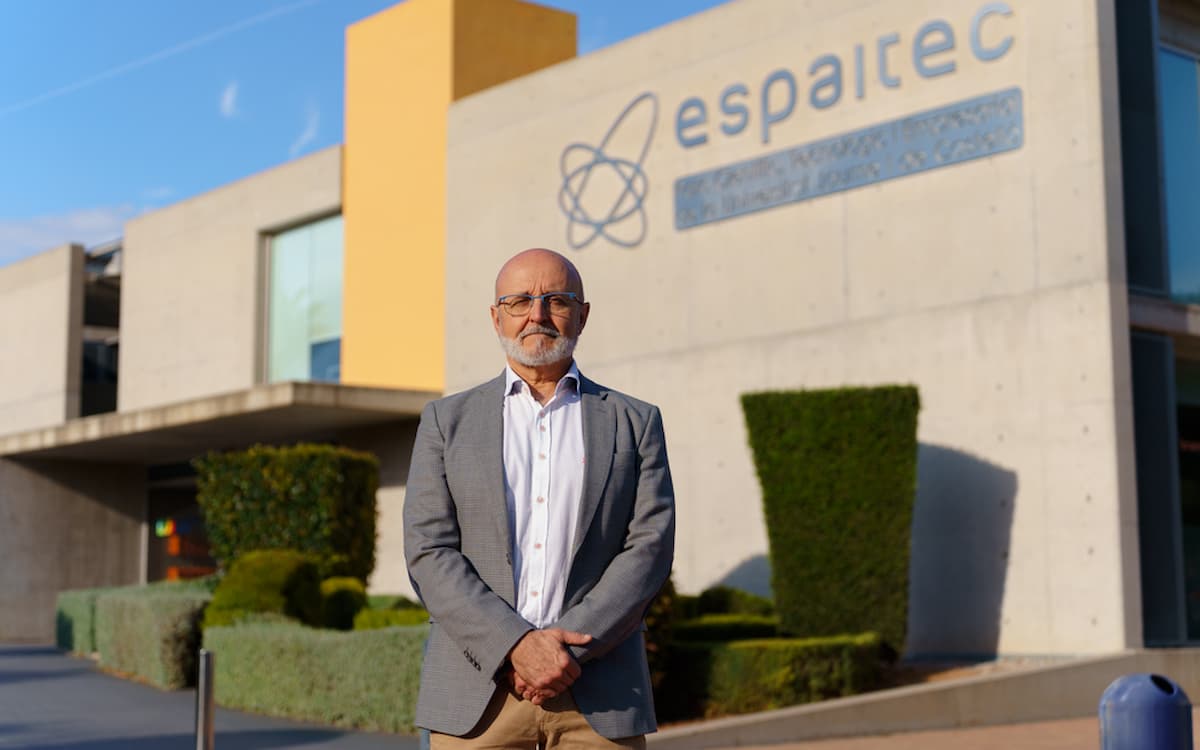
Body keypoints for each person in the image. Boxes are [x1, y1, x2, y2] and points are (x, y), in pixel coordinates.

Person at [404, 248, 676, 749]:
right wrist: (515, 646)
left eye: (556, 300)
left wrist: (562, 654)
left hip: (599, 699)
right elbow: (429, 551)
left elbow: (650, 548)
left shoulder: (635, 423)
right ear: (495, 317)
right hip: (477, 698)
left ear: (582, 314)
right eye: (519, 300)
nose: (537, 314)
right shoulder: (446, 423)